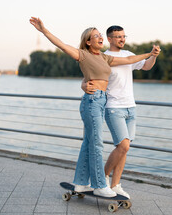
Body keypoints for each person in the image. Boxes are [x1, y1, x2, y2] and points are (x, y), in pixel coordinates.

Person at [29, 17, 160, 197]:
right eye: (95, 36)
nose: (99, 37)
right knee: (97, 143)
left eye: (100, 35)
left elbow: (130, 59)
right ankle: (99, 185)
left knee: (89, 142)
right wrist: (44, 31)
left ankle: (80, 183)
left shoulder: (105, 58)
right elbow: (61, 45)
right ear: (88, 42)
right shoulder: (83, 55)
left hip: (101, 101)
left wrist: (150, 54)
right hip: (92, 101)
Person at [81, 25, 159, 199]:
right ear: (109, 39)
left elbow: (146, 66)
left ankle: (115, 185)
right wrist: (84, 85)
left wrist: (153, 56)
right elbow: (89, 77)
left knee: (124, 148)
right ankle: (101, 179)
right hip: (113, 107)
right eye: (118, 37)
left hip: (131, 107)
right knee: (123, 145)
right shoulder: (103, 57)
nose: (122, 39)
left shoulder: (128, 54)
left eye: (124, 36)